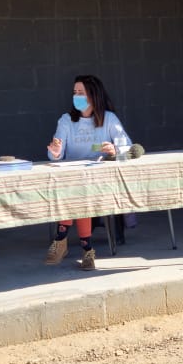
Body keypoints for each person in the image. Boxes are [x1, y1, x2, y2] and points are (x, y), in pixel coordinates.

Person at [44, 75, 132, 272]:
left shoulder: (109, 119)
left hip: (99, 182)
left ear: (93, 95)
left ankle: (61, 239)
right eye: (74, 93)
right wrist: (55, 152)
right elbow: (54, 153)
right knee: (78, 192)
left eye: (81, 93)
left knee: (80, 193)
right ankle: (87, 249)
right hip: (72, 181)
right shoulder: (66, 120)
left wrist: (115, 150)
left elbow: (129, 147)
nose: (76, 97)